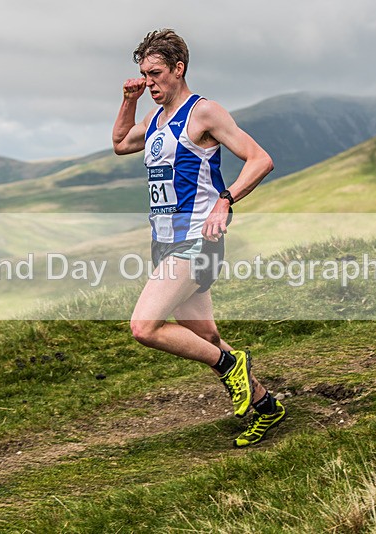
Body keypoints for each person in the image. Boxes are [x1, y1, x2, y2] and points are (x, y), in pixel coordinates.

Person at [111, 29, 284, 447]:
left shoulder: (203, 113)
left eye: (155, 74)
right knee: (205, 338)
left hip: (197, 240)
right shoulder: (154, 120)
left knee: (144, 326)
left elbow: (260, 159)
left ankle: (230, 365)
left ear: (179, 68)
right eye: (144, 75)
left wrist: (225, 200)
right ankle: (267, 407)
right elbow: (119, 143)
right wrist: (129, 100)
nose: (150, 82)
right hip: (164, 242)